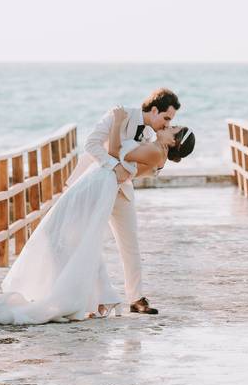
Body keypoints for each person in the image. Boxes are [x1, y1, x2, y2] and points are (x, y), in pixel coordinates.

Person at [0, 117, 196, 325]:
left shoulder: (155, 152)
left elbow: (116, 152)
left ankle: (79, 294)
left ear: (174, 141)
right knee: (70, 235)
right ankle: (98, 295)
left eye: (173, 127)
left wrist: (117, 122)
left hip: (100, 183)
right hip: (97, 180)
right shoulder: (154, 148)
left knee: (69, 235)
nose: (167, 125)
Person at [66, 88, 180, 314]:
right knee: (87, 241)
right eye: (166, 118)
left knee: (130, 243)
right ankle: (92, 297)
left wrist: (151, 167)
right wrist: (113, 167)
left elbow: (137, 167)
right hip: (93, 185)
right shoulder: (118, 115)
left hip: (121, 189)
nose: (167, 124)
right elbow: (91, 145)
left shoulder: (151, 135)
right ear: (154, 110)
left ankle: (136, 298)